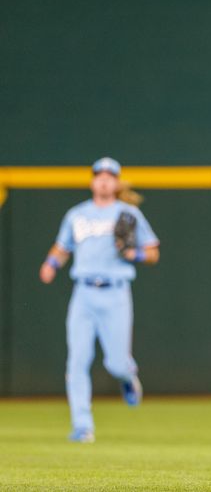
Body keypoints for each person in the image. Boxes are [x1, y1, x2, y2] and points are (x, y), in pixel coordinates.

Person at [39, 157, 160, 443]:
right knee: (77, 361)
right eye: (99, 175)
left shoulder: (127, 213)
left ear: (117, 182)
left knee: (116, 363)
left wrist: (135, 255)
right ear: (92, 181)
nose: (104, 179)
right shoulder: (76, 215)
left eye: (110, 175)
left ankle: (127, 376)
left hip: (116, 292)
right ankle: (82, 426)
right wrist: (50, 264)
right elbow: (62, 247)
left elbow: (153, 252)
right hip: (83, 293)